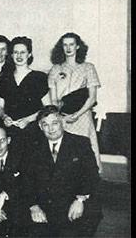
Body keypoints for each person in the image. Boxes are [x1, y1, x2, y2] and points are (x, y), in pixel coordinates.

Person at [23, 105, 102, 237]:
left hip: (74, 204)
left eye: (55, 123)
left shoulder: (80, 143)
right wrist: (33, 206)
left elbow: (92, 175)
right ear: (40, 126)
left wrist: (80, 200)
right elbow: (26, 180)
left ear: (62, 123)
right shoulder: (33, 148)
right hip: (45, 207)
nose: (50, 129)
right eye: (45, 124)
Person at [49, 32, 102, 171]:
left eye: (71, 44)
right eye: (65, 45)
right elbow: (53, 98)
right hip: (63, 118)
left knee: (86, 154)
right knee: (64, 157)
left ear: (78, 46)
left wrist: (77, 114)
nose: (68, 48)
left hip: (83, 117)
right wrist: (61, 114)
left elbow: (92, 98)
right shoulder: (56, 69)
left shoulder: (88, 67)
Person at [0, 36, 49, 151]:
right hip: (10, 132)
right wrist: (4, 116)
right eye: (15, 52)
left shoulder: (39, 77)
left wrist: (28, 119)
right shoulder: (5, 78)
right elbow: (0, 106)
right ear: (11, 55)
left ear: (29, 54)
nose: (19, 56)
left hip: (33, 131)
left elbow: (47, 108)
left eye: (22, 52)